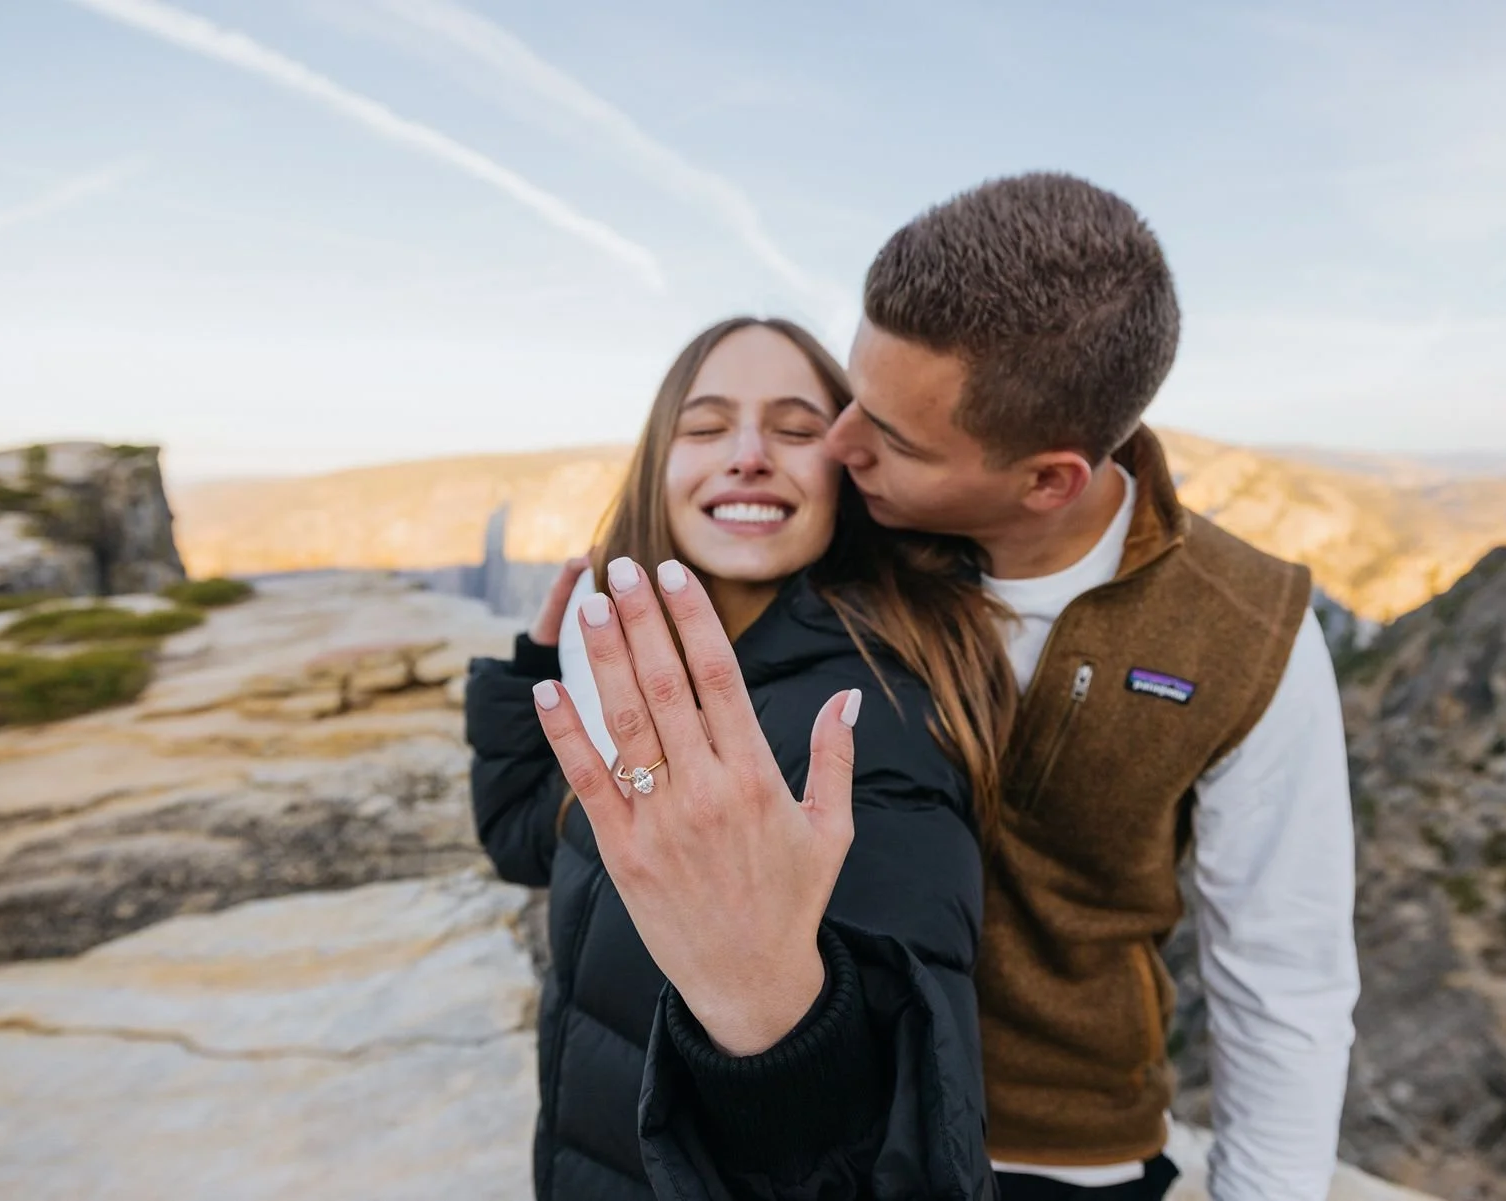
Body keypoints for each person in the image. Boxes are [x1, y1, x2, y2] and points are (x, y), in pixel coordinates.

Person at [546, 174, 1361, 1201]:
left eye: (890, 437)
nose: (839, 448)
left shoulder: (1246, 639)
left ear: (1047, 479)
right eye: (852, 400)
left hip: (1055, 1159)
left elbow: (1283, 977)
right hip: (814, 1124)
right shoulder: (846, 538)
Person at [464, 316, 1015, 1200]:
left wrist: (770, 1013)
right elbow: (527, 839)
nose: (750, 454)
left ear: (848, 470)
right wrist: (530, 678)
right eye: (707, 425)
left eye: (797, 429)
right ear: (658, 464)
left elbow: (911, 1151)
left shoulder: (866, 721)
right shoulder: (658, 677)